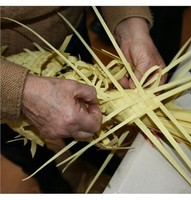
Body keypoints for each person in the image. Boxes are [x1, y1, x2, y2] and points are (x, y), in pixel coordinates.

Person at [0, 6, 166, 193]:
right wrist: (18, 90)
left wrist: (130, 25)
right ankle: (52, 184)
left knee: (85, 120)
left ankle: (96, 156)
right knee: (22, 151)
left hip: (68, 28)